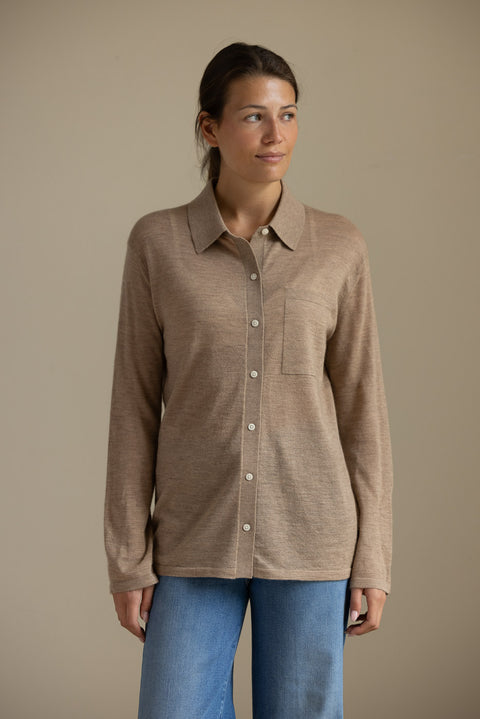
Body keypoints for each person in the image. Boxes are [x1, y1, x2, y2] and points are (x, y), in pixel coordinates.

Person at [104, 41, 394, 719]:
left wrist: (374, 557)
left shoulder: (339, 245)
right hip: (192, 536)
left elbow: (363, 411)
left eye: (287, 115)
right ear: (210, 127)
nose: (275, 134)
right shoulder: (157, 244)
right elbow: (133, 409)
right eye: (254, 116)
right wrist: (127, 556)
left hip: (313, 537)